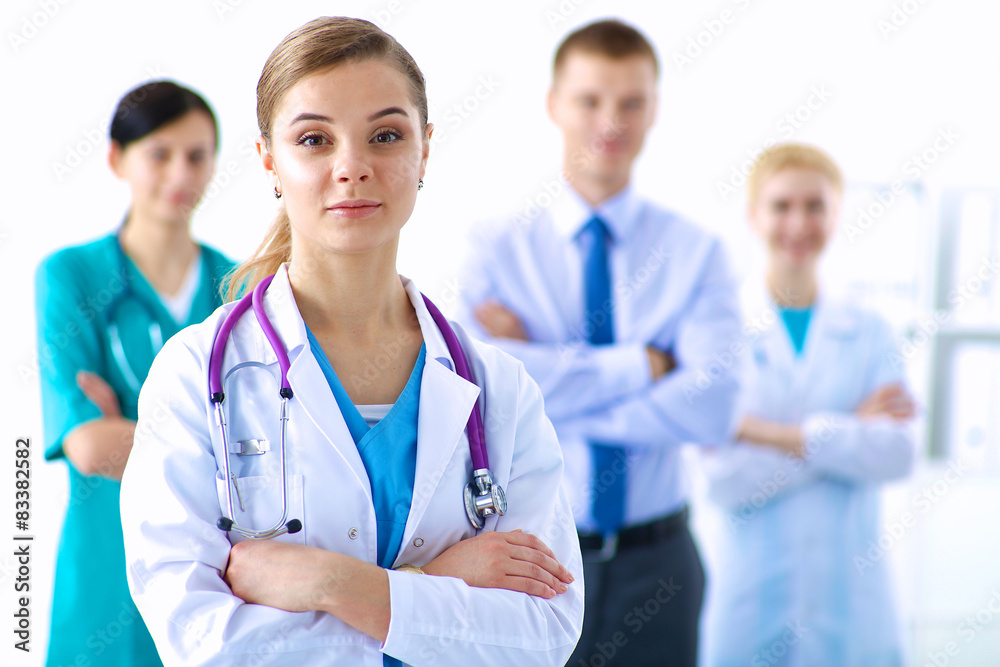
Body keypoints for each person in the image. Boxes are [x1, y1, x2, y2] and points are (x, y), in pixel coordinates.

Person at [119, 17, 583, 666]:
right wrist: (434, 590)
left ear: (424, 150)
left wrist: (330, 584)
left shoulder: (498, 389)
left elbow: (542, 634)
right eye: (314, 139)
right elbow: (203, 641)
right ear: (269, 161)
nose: (353, 167)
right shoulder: (194, 375)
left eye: (386, 135)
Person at [454, 19, 742, 667]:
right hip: (527, 564)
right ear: (554, 104)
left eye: (631, 102)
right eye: (589, 99)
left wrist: (542, 388)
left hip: (658, 564)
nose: (610, 120)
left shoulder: (696, 253)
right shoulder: (495, 247)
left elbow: (713, 405)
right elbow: (473, 391)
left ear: (654, 110)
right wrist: (645, 364)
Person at [35, 81, 234, 666]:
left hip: (215, 578)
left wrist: (130, 430)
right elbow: (89, 445)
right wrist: (218, 452)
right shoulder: (69, 276)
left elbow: (277, 462)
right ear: (117, 159)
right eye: (160, 154)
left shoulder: (242, 289)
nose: (181, 174)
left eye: (197, 156)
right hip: (105, 567)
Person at [700, 143, 917, 666]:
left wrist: (759, 432)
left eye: (815, 206)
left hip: (851, 601)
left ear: (836, 215)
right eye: (781, 206)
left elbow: (896, 454)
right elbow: (721, 480)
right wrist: (846, 433)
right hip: (751, 598)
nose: (798, 222)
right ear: (753, 215)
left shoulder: (870, 332)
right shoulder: (719, 332)